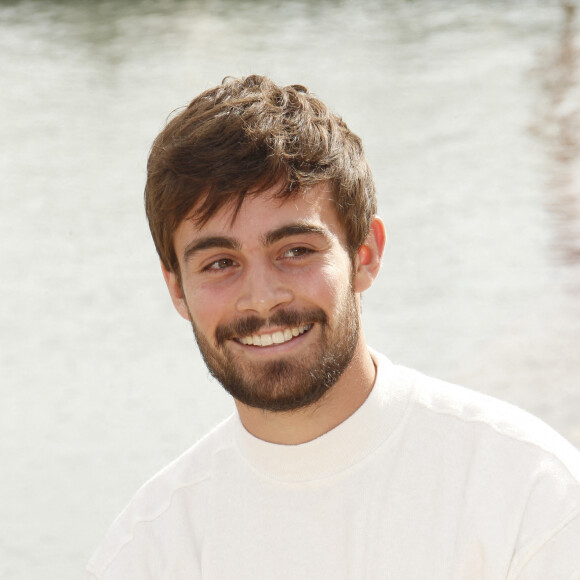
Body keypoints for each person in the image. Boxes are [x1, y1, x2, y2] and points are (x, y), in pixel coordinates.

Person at [87, 75, 580, 579]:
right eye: (219, 263)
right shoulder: (146, 553)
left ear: (365, 255)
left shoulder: (529, 494)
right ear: (177, 289)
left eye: (295, 251)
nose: (262, 298)